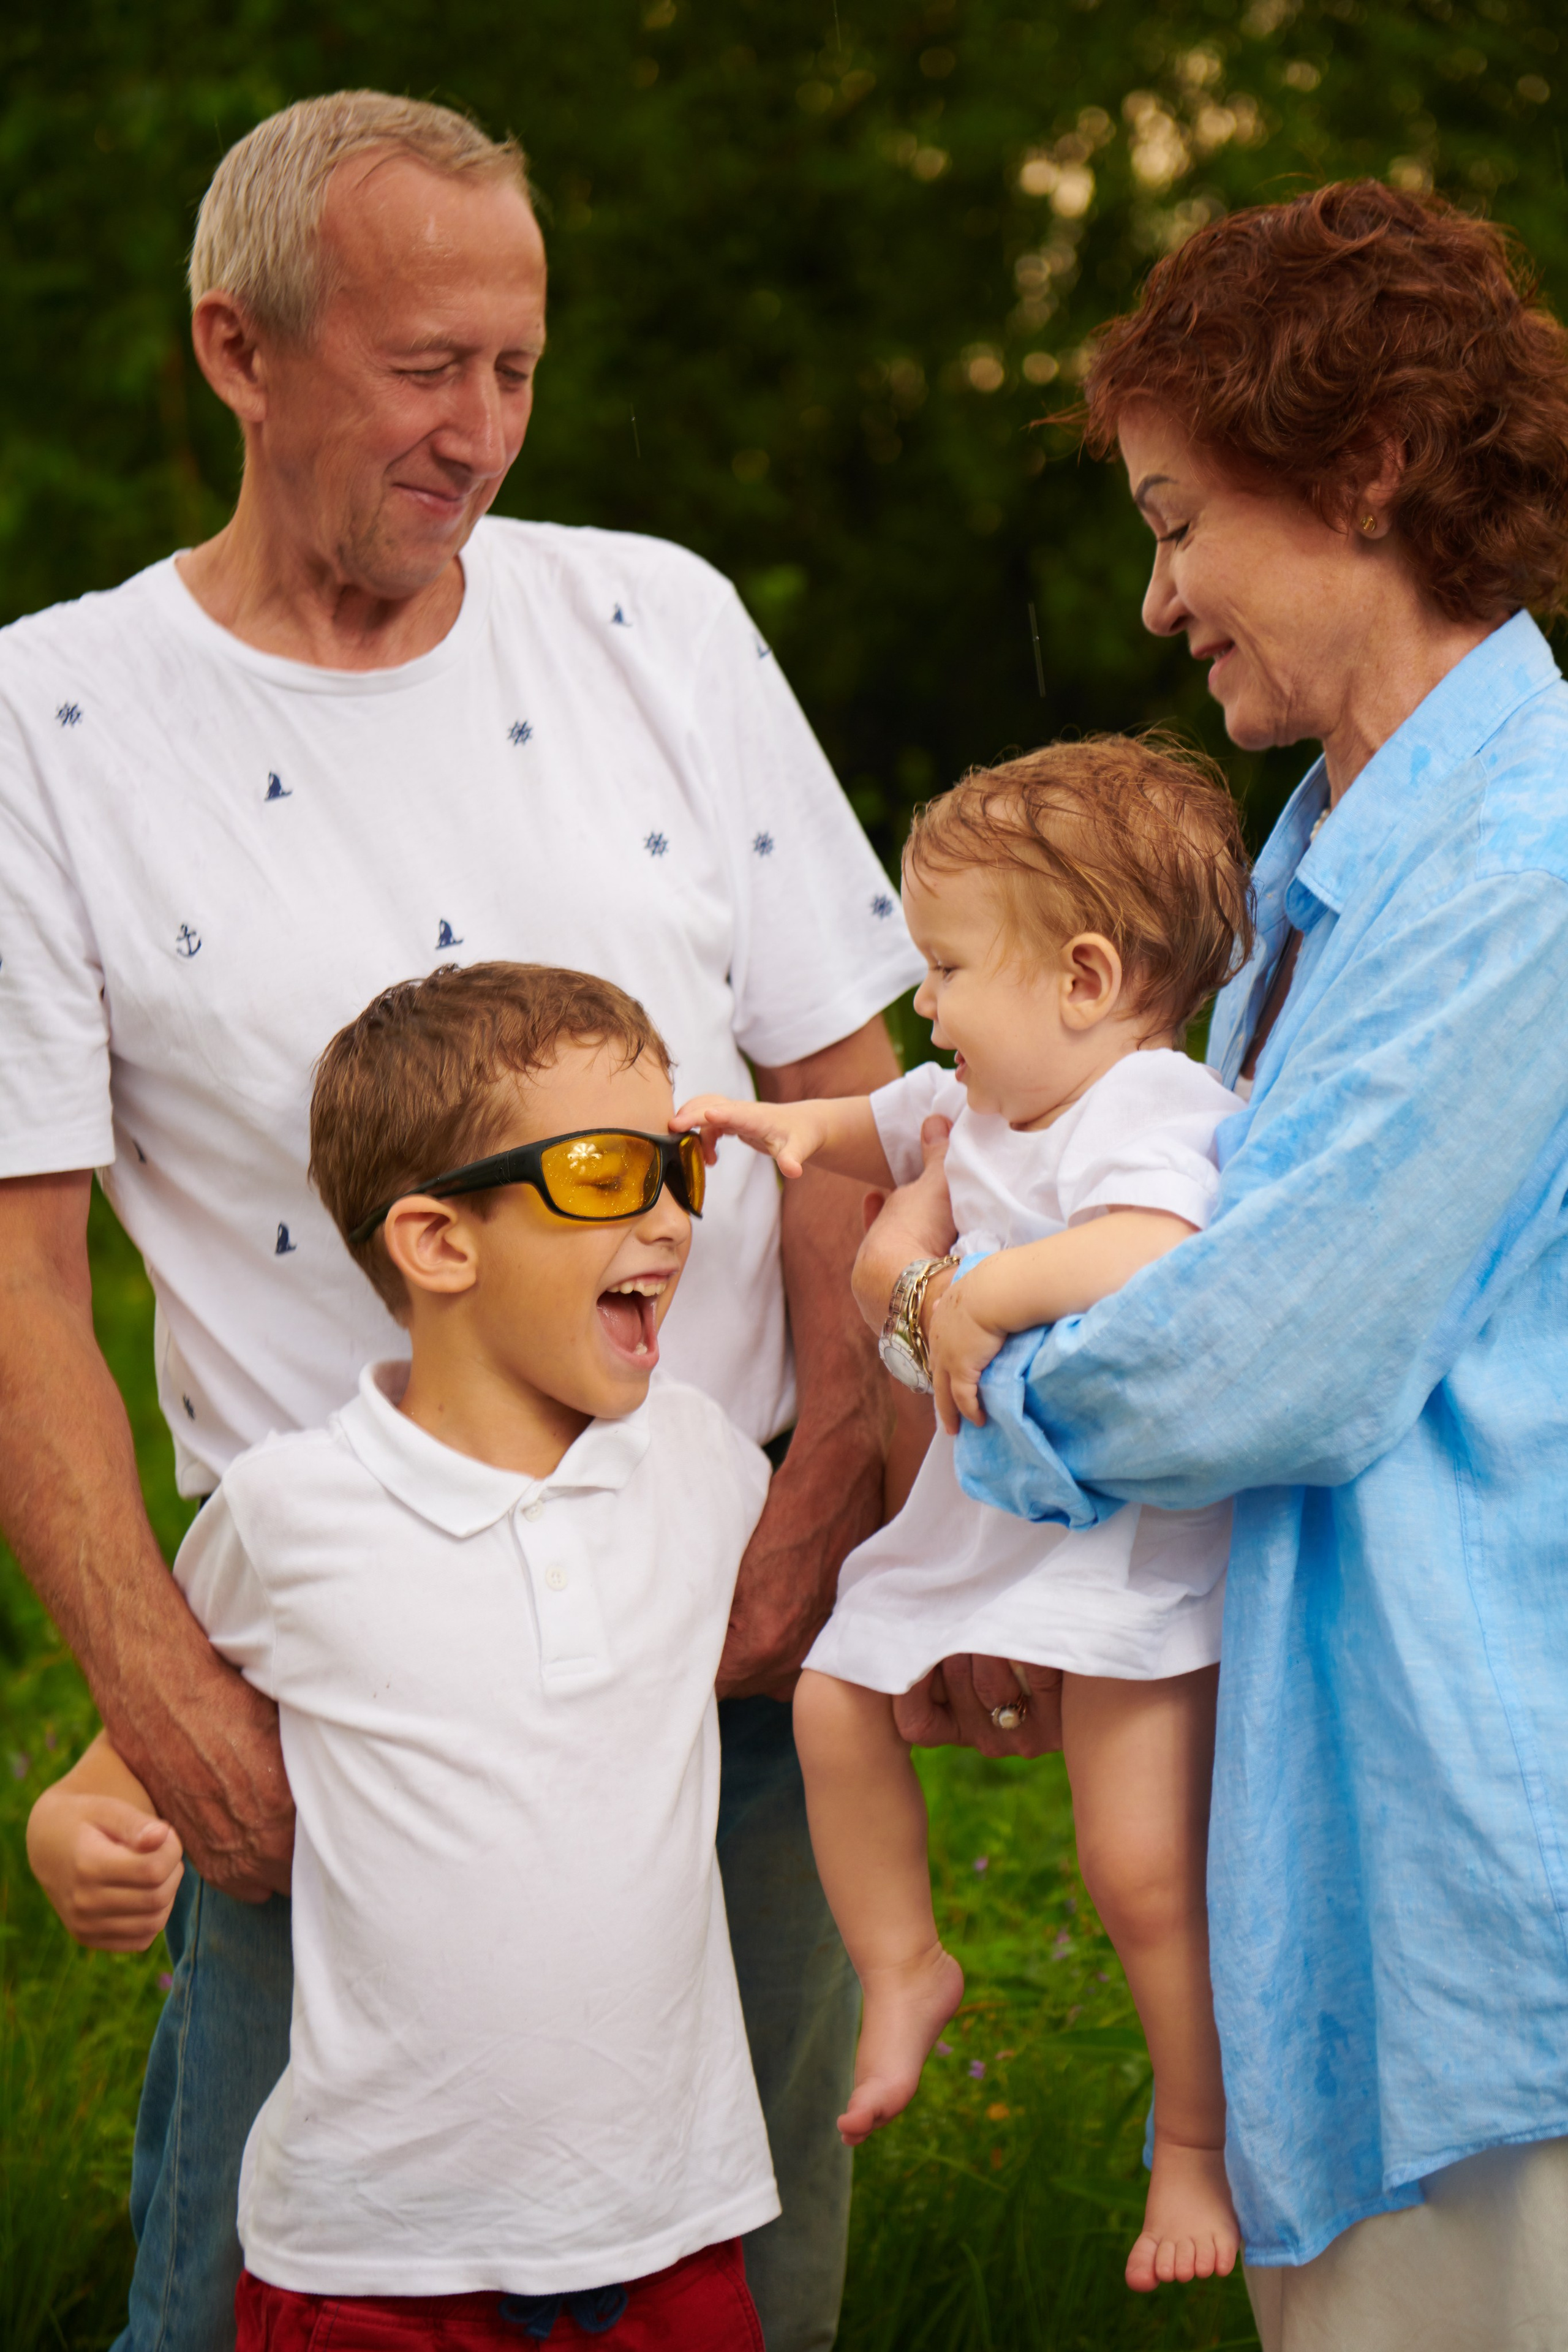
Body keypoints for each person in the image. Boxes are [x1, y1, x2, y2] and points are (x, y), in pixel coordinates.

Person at [0, 91, 927, 2352]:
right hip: (345, 1703)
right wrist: (161, 1703)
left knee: (741, 2289)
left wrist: (822, 1518)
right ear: (239, 344)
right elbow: (19, 1267)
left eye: (516, 366)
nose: (480, 429)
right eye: (426, 365)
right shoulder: (48, 718)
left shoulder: (662, 625)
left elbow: (841, 1114)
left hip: (736, 1665)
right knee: (268, 2293)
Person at [855, 183, 1568, 2350]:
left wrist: (939, 1345)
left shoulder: (1523, 863)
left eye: (1183, 524)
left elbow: (1253, 1366)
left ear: (1363, 477)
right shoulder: (1317, 876)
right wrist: (1027, 1565)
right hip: (1330, 1853)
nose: (1156, 602)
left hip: (1478, 1864)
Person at [29, 962, 780, 2351]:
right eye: (611, 1171)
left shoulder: (702, 1467)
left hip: (670, 2240)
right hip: (371, 2265)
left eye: (675, 1162)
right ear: (438, 1243)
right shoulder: (294, 1511)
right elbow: (114, 1771)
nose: (674, 1214)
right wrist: (73, 1836)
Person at [679, 736, 1251, 2291]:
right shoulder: (986, 1091)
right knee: (830, 1698)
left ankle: (1194, 2144)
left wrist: (968, 1290)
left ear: (1079, 976)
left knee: (1136, 1869)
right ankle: (901, 1960)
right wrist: (791, 1133)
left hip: (1116, 1546)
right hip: (973, 1519)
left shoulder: (1145, 1100)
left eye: (942, 967)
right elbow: (887, 1121)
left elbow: (1145, 1247)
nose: (921, 1006)